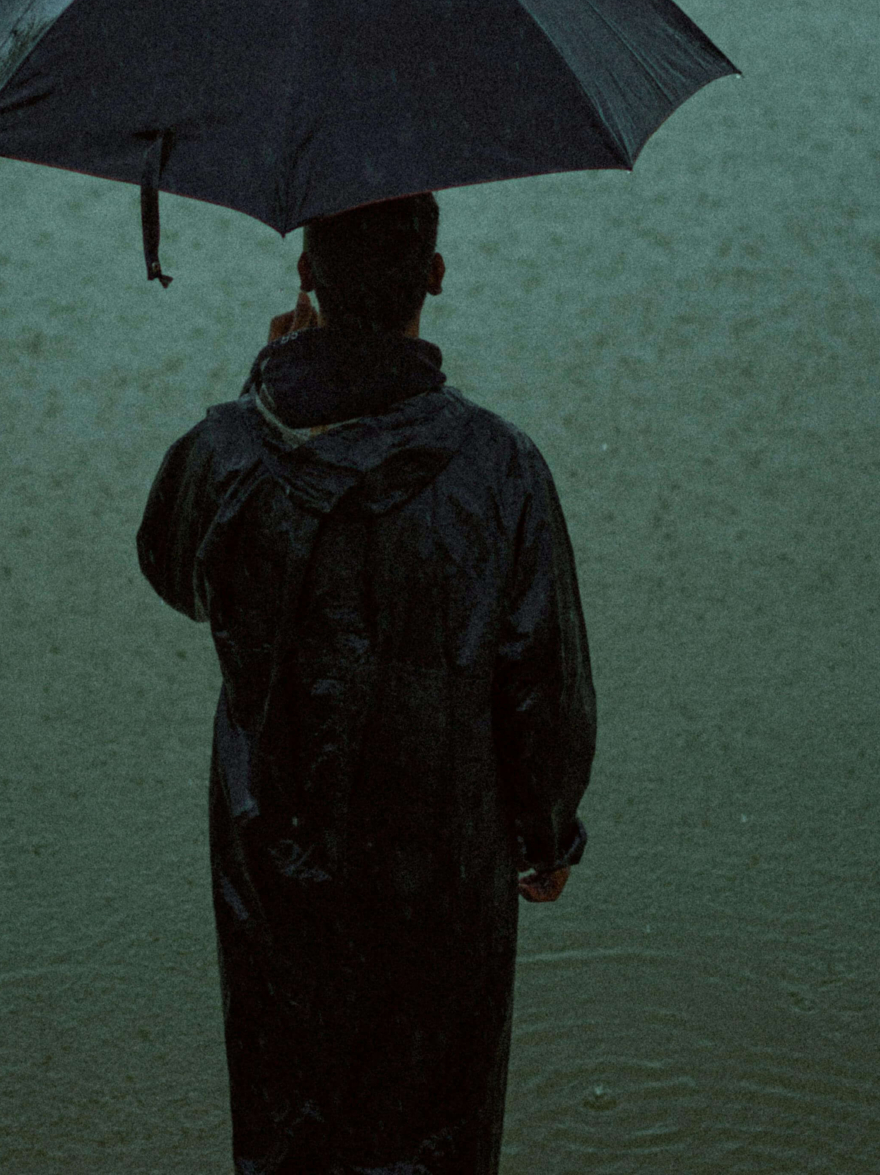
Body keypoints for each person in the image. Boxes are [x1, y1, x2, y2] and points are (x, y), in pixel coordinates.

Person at [137, 191, 596, 1175]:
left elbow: (177, 576)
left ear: (306, 274)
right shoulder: (502, 465)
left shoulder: (228, 449)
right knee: (436, 1123)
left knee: (290, 1113)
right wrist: (546, 834)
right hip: (444, 857)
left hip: (277, 847)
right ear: (434, 276)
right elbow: (542, 679)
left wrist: (263, 389)